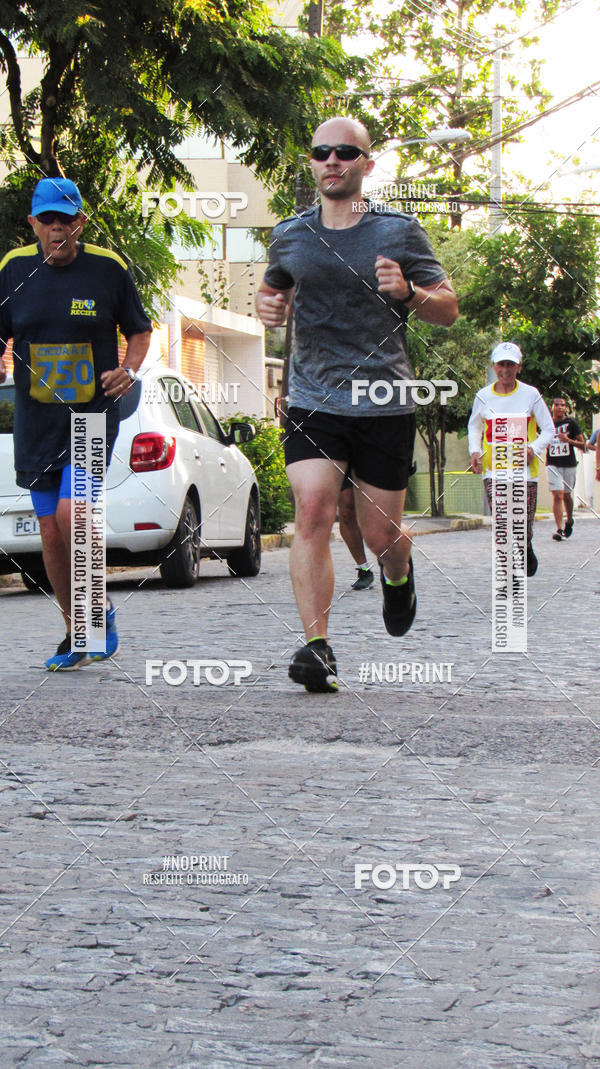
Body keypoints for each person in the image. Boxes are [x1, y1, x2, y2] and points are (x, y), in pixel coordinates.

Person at [256, 115, 458, 693]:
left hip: (382, 398)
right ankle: (317, 648)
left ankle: (399, 574)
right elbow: (274, 291)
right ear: (313, 162)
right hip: (313, 398)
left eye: (346, 152)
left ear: (367, 165)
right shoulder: (291, 233)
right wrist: (268, 307)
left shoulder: (398, 231)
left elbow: (448, 307)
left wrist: (410, 292)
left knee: (379, 534)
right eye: (322, 152)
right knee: (314, 511)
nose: (332, 161)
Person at [0, 177, 152, 669]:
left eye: (67, 219)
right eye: (47, 220)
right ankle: (77, 628)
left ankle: (94, 615)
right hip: (36, 420)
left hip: (90, 416)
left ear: (81, 221)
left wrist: (128, 370)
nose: (57, 228)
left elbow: (139, 329)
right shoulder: (13, 268)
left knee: (73, 516)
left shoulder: (107, 269)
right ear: (33, 225)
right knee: (48, 532)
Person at [468, 342, 555, 577]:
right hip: (494, 472)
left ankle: (525, 546)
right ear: (494, 367)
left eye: (510, 365)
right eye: (501, 364)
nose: (505, 370)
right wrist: (474, 451)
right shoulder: (483, 396)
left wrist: (533, 449)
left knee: (522, 527)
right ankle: (509, 574)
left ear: (519, 367)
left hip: (524, 473)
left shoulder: (531, 395)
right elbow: (474, 426)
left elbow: (549, 430)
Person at [545, 397, 585, 540]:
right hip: (552, 464)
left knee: (567, 495)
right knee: (557, 495)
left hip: (569, 464)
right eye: (557, 405)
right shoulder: (547, 423)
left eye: (562, 405)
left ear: (566, 408)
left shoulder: (571, 423)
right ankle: (559, 529)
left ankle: (569, 520)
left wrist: (569, 441)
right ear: (552, 407)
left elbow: (583, 445)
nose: (560, 407)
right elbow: (540, 439)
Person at [337, 475, 375, 590]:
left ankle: (393, 567)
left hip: (374, 459)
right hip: (340, 459)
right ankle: (364, 569)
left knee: (378, 513)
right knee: (346, 512)